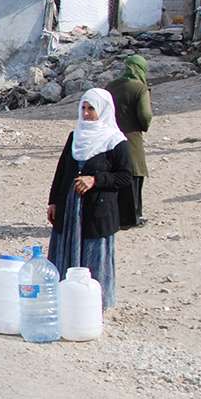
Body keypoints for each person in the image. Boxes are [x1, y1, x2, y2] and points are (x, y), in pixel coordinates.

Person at [46, 88, 135, 311]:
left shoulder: (115, 141)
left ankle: (92, 306)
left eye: (91, 109)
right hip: (69, 208)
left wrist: (95, 180)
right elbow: (62, 171)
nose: (86, 114)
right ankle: (64, 300)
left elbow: (125, 177)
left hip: (97, 210)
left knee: (93, 254)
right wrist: (53, 201)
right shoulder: (75, 136)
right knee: (64, 251)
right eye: (83, 108)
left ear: (103, 110)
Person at [105, 54, 153, 226]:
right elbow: (145, 114)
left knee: (115, 174)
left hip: (110, 137)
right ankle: (133, 217)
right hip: (132, 137)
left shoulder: (111, 86)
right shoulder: (140, 88)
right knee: (135, 173)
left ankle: (115, 216)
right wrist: (143, 126)